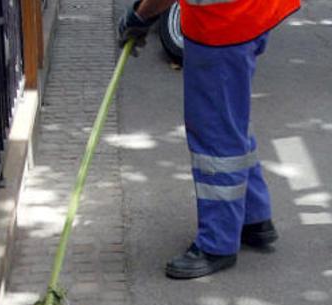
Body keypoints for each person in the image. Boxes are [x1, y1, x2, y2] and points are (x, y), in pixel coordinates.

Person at [119, 0, 300, 279]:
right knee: (230, 124)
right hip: (253, 13)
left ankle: (218, 242)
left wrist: (140, 17)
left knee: (216, 138)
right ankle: (253, 217)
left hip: (221, 26)